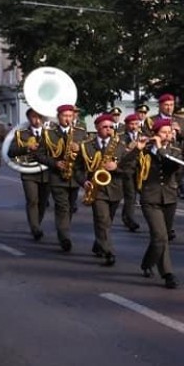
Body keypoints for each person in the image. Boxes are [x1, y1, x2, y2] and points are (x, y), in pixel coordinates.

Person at [126, 118, 184, 289]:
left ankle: (146, 263)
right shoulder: (143, 152)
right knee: (160, 237)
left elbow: (171, 167)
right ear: (155, 134)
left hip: (169, 197)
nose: (167, 135)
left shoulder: (175, 151)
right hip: (150, 198)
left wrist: (159, 148)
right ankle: (167, 274)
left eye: (169, 132)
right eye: (163, 132)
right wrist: (135, 150)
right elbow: (125, 167)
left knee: (162, 237)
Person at [34, 104, 89, 252]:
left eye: (70, 116)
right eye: (65, 116)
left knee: (70, 207)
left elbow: (90, 153)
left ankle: (63, 230)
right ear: (59, 117)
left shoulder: (81, 132)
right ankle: (64, 237)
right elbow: (39, 155)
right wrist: (55, 163)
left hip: (75, 177)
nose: (68, 119)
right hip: (57, 177)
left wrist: (81, 149)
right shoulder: (49, 133)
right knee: (62, 207)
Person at [77, 114, 129, 267]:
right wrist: (83, 181)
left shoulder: (120, 145)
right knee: (102, 220)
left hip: (115, 189)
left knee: (107, 221)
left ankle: (98, 243)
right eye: (105, 127)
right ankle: (109, 252)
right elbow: (78, 169)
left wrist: (117, 167)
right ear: (97, 128)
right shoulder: (86, 145)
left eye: (111, 127)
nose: (109, 130)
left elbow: (129, 168)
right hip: (97, 188)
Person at [8, 108, 50, 240]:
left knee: (42, 202)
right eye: (33, 117)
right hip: (29, 172)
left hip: (46, 172)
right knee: (32, 200)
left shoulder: (50, 133)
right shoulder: (21, 134)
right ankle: (35, 228)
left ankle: (36, 223)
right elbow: (11, 151)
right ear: (29, 119)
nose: (36, 120)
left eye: (39, 117)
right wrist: (26, 147)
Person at [119, 113, 144, 232]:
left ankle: (126, 216)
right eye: (131, 124)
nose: (134, 127)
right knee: (130, 195)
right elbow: (119, 153)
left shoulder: (143, 136)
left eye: (136, 124)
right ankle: (129, 219)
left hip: (141, 170)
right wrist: (129, 148)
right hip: (127, 169)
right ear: (127, 125)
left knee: (141, 194)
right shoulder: (121, 137)